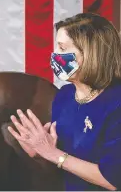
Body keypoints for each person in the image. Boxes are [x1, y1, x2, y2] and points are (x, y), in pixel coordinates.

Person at [8, 13, 121, 191]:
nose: (55, 55)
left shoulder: (116, 103)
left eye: (62, 48)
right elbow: (62, 165)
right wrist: (38, 153)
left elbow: (113, 180)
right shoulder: (64, 96)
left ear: (91, 53)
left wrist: (52, 154)